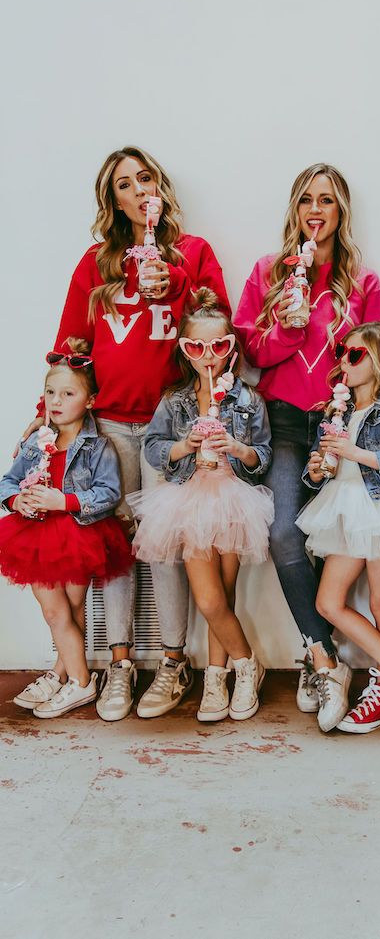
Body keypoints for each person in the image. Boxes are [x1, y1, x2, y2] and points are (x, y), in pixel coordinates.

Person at [20, 146, 232, 721]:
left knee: (165, 545)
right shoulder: (96, 263)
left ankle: (172, 662)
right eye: (123, 184)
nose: (137, 189)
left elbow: (220, 324)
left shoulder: (193, 253)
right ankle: (117, 664)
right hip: (109, 425)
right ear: (112, 200)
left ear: (160, 188)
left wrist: (179, 280)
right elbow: (73, 346)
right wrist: (47, 410)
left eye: (145, 178)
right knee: (115, 544)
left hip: (172, 422)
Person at [235, 163, 380, 713]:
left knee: (336, 539)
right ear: (295, 210)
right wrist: (288, 330)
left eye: (326, 200)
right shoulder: (266, 273)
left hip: (338, 428)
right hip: (281, 423)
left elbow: (379, 356)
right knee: (283, 534)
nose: (315, 210)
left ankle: (323, 647)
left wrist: (345, 396)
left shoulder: (362, 282)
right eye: (306, 200)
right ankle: (323, 656)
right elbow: (249, 354)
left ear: (340, 211)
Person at [130, 289, 273, 722]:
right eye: (197, 347)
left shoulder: (247, 399)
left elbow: (262, 456)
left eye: (218, 346)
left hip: (235, 501)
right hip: (190, 500)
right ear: (185, 352)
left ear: (231, 349)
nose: (207, 356)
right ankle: (249, 664)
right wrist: (182, 446)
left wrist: (237, 448)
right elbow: (153, 446)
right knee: (209, 600)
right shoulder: (175, 400)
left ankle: (216, 675)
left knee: (224, 596)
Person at [297, 323, 380, 734]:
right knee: (327, 603)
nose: (344, 361)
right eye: (342, 351)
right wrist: (317, 470)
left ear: (379, 362)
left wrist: (356, 452)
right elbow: (319, 469)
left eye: (355, 355)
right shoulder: (333, 410)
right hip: (343, 508)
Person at [0, 342, 132, 717]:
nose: (56, 401)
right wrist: (15, 501)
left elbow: (108, 492)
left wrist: (65, 502)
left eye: (68, 394)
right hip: (34, 537)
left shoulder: (97, 446)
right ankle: (82, 682)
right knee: (56, 613)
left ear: (90, 400)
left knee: (73, 609)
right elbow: (7, 483)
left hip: (78, 532)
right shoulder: (34, 441)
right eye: (50, 393)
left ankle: (62, 673)